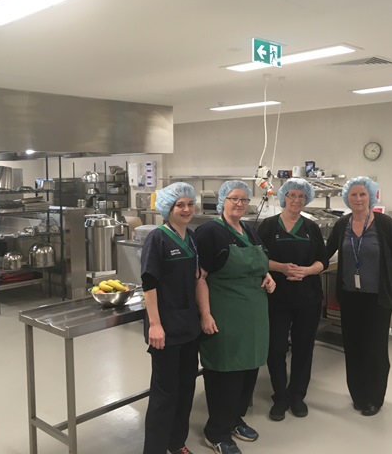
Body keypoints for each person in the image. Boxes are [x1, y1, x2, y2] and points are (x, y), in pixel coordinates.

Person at [195, 180, 276, 454]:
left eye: (244, 199)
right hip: (225, 315)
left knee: (248, 371)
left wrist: (267, 277)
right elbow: (200, 278)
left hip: (253, 316)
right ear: (223, 201)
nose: (239, 204)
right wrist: (205, 314)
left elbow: (260, 263)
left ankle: (233, 419)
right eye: (233, 199)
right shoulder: (209, 232)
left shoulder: (250, 231)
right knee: (224, 373)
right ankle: (215, 431)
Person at [326, 176, 392, 416]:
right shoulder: (342, 224)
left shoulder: (385, 225)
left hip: (377, 297)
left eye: (363, 194)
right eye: (353, 195)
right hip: (351, 296)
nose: (358, 199)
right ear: (347, 198)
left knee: (375, 349)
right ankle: (358, 394)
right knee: (352, 347)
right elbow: (326, 252)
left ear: (371, 196)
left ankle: (374, 398)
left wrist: (380, 272)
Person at [256, 178, 328, 421]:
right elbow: (257, 259)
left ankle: (297, 395)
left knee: (303, 347)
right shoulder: (267, 226)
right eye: (292, 195)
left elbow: (323, 261)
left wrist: (307, 271)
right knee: (276, 347)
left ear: (306, 199)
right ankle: (280, 395)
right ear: (284, 196)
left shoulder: (311, 228)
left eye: (301, 196)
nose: (296, 200)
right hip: (276, 297)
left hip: (308, 297)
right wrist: (281, 268)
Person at [141, 182, 201, 454]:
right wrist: (155, 324)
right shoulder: (158, 238)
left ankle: (176, 443)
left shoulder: (191, 237)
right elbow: (149, 284)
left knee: (186, 389)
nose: (186, 209)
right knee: (165, 394)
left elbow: (198, 278)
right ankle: (153, 449)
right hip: (165, 328)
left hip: (189, 326)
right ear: (168, 208)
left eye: (190, 204)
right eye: (180, 205)